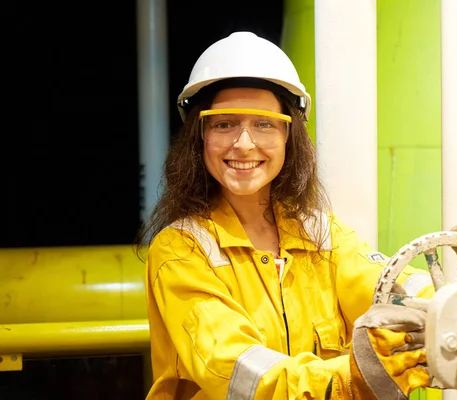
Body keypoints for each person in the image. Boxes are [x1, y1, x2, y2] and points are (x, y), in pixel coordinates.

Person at [137, 31, 437, 400]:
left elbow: (386, 284)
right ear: (200, 137)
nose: (244, 144)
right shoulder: (181, 250)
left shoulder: (319, 233)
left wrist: (447, 301)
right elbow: (234, 368)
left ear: (288, 137)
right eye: (224, 124)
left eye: (264, 124)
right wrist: (349, 378)